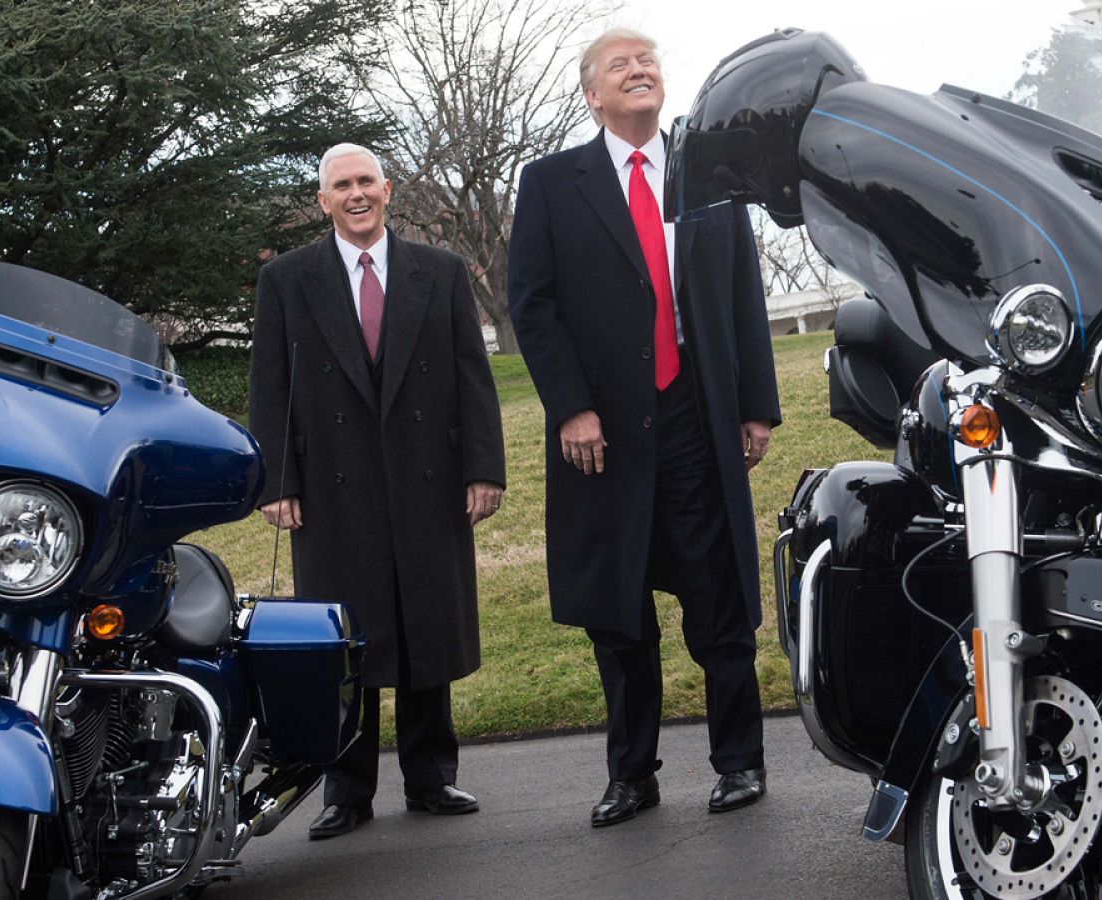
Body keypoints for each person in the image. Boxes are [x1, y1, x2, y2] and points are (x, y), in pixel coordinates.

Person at [507, 27, 781, 827]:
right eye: (619, 65)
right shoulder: (553, 182)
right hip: (603, 432)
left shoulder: (707, 177)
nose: (639, 71)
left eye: (648, 61)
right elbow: (534, 304)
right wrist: (571, 407)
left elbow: (742, 292)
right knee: (617, 612)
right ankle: (633, 774)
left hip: (696, 412)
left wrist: (754, 405)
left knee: (717, 599)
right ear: (592, 94)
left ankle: (740, 762)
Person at [248, 143, 507, 840]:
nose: (356, 194)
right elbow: (269, 387)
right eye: (342, 186)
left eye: (366, 181)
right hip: (331, 483)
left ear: (387, 190)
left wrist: (484, 468)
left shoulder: (441, 273)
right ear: (322, 200)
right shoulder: (288, 281)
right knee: (342, 639)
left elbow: (473, 380)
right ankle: (346, 791)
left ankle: (432, 779)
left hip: (428, 474)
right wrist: (276, 482)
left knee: (426, 625)